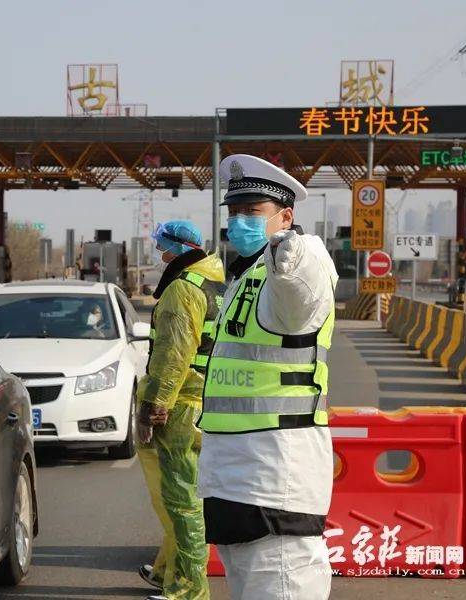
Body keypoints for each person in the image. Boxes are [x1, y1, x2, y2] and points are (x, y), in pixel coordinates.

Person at [198, 154, 338, 600]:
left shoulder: (291, 265)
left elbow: (301, 292)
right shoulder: (246, 277)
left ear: (286, 216)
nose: (240, 221)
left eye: (252, 212)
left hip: (277, 480)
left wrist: (293, 253)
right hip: (234, 480)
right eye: (234, 212)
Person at [136, 220, 226, 600]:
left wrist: (154, 411)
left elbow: (172, 359)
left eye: (165, 247)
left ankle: (189, 589)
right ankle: (167, 571)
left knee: (182, 501)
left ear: (180, 248)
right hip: (208, 402)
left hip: (181, 406)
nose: (161, 255)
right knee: (184, 496)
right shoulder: (218, 284)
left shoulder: (182, 291)